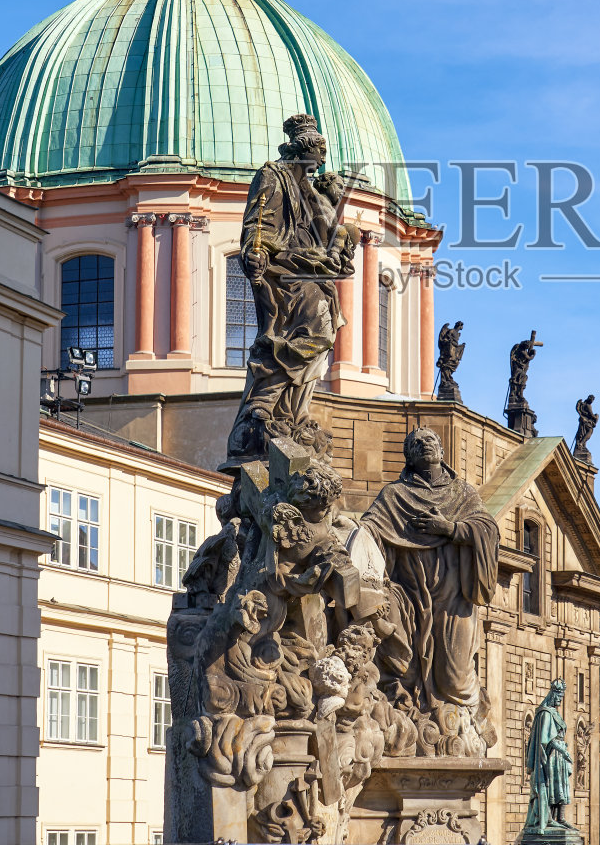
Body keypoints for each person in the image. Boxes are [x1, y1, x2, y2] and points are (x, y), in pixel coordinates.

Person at [227, 114, 356, 458]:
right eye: (320, 153)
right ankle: (265, 400)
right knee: (317, 330)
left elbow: (326, 230)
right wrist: (254, 253)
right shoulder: (272, 175)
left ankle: (289, 411)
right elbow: (257, 222)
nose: (323, 162)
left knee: (323, 332)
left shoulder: (309, 189)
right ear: (303, 151)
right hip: (284, 270)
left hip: (312, 270)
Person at [359, 428, 500, 726]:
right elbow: (369, 530)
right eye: (417, 443)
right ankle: (415, 719)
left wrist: (449, 528)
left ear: (442, 452)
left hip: (453, 598)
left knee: (454, 677)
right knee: (405, 669)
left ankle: (474, 721)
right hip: (409, 594)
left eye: (431, 440)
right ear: (408, 456)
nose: (425, 444)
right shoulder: (394, 496)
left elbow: (487, 529)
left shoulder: (462, 493)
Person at [522, 679, 574, 835]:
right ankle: (549, 818)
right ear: (552, 694)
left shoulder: (554, 713)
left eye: (561, 697)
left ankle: (561, 818)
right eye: (558, 696)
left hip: (559, 757)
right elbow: (546, 739)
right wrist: (563, 751)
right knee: (552, 787)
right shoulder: (545, 713)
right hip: (551, 756)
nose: (559, 700)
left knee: (562, 787)